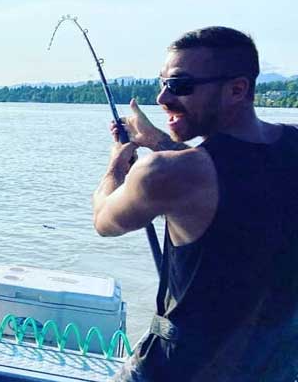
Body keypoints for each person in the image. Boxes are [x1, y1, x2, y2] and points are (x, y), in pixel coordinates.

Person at [92, 26, 298, 381]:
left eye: (179, 85)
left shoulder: (163, 174)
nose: (162, 98)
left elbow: (104, 219)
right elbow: (237, 169)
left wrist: (116, 164)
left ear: (237, 89)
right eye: (162, 83)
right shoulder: (290, 146)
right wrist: (157, 140)